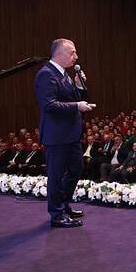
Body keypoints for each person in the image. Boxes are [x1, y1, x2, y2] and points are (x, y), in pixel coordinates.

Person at [34, 38, 94, 228]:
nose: (76, 56)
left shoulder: (64, 74)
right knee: (56, 175)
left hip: (71, 134)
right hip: (57, 135)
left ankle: (64, 203)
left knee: (76, 169)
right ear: (59, 54)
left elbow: (71, 98)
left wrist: (78, 86)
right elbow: (49, 105)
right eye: (72, 52)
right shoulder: (46, 74)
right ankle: (57, 214)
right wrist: (77, 106)